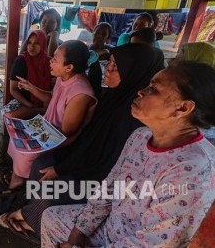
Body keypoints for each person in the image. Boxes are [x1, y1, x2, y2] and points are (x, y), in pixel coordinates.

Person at [0, 43, 165, 238]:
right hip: (86, 158)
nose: (107, 69)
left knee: (52, 190)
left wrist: (62, 169)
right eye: (109, 63)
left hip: (101, 177)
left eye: (115, 67)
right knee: (41, 165)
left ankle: (30, 219)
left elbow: (109, 164)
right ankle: (32, 210)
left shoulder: (134, 117)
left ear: (133, 72)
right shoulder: (114, 98)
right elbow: (90, 141)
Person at [41, 61, 215, 247]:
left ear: (183, 108)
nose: (141, 91)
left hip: (134, 241)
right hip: (111, 225)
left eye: (154, 89)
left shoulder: (193, 169)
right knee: (51, 218)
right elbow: (110, 186)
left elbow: (153, 242)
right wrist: (76, 236)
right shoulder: (141, 136)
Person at [4, 40, 97, 195]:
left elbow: (68, 131)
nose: (50, 61)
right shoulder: (64, 78)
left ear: (69, 67)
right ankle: (18, 174)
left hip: (61, 136)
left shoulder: (81, 93)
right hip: (48, 126)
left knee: (25, 149)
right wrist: (31, 88)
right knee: (17, 136)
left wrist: (37, 132)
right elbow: (52, 98)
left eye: (55, 59)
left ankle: (18, 181)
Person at [4, 30, 53, 119]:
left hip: (45, 101)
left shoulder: (50, 63)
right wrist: (30, 105)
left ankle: (43, 110)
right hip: (26, 102)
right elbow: (13, 89)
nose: (32, 46)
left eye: (37, 43)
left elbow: (54, 90)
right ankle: (41, 110)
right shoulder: (21, 61)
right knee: (8, 115)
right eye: (29, 42)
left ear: (43, 44)